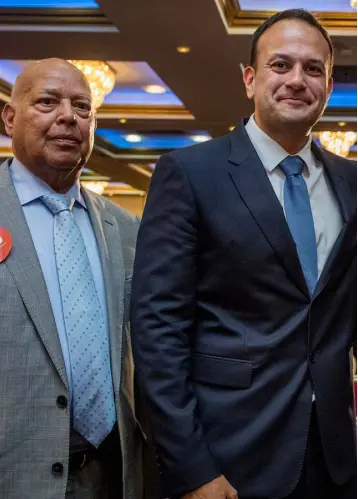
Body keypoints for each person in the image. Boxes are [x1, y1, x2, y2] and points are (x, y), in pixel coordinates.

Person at [131, 9, 357, 499]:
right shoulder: (189, 174)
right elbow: (157, 329)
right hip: (228, 457)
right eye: (281, 65)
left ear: (328, 84)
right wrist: (191, 467)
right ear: (250, 79)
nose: (297, 80)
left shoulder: (351, 182)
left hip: (335, 459)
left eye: (312, 69)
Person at [0, 58, 154, 499]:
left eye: (82, 107)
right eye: (48, 102)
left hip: (113, 475)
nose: (68, 116)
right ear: (10, 118)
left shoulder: (127, 229)